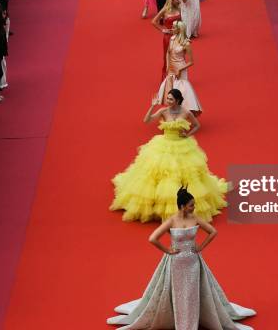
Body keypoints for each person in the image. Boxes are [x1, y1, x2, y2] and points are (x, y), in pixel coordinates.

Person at [107, 188, 255, 328]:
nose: (194, 208)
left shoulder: (195, 218)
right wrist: (167, 251)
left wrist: (201, 246)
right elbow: (153, 238)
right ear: (182, 206)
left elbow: (213, 232)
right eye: (191, 205)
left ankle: (192, 320)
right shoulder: (171, 221)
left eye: (194, 205)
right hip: (176, 263)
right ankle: (177, 320)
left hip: (193, 262)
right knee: (177, 293)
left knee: (192, 293)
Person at [110, 89, 226, 222]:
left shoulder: (186, 112)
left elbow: (197, 125)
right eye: (167, 98)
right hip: (164, 145)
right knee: (158, 174)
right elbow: (147, 120)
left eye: (170, 99)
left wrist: (187, 134)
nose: (168, 101)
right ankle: (156, 205)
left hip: (182, 146)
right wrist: (153, 106)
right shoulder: (163, 111)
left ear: (177, 100)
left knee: (184, 174)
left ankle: (179, 204)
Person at [156, 20, 202, 114]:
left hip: (180, 69)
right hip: (172, 69)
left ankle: (184, 113)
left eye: (174, 27)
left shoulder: (186, 43)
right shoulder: (172, 38)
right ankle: (173, 113)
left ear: (179, 29)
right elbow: (168, 53)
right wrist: (168, 67)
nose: (172, 28)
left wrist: (180, 70)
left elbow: (191, 62)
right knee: (170, 90)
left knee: (181, 91)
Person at [152, 0, 182, 80]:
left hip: (178, 36)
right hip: (168, 37)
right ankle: (167, 78)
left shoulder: (179, 8)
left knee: (178, 57)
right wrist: (163, 29)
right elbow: (153, 21)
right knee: (168, 57)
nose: (178, 1)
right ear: (171, 0)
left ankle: (177, 76)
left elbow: (182, 22)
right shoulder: (165, 10)